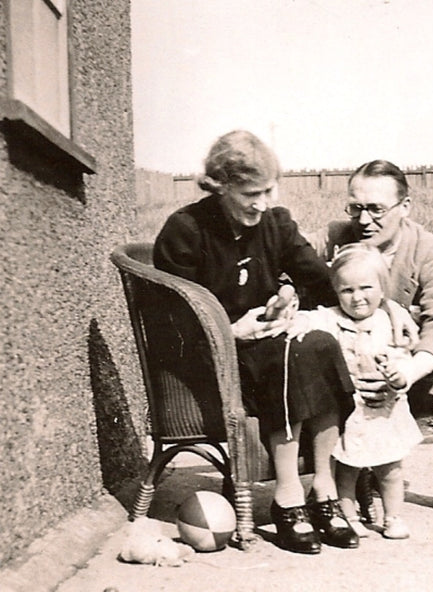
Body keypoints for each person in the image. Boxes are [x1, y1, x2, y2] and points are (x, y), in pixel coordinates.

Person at [153, 130, 359, 554]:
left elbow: (320, 282)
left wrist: (293, 297)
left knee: (318, 342)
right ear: (219, 185)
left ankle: (322, 487)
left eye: (268, 190)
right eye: (250, 193)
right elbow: (166, 324)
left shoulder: (275, 223)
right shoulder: (186, 231)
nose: (261, 203)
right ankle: (288, 496)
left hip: (271, 347)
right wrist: (227, 331)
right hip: (211, 361)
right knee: (295, 353)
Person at [310, 159, 433, 518]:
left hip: (406, 374)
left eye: (376, 209)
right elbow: (285, 259)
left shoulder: (430, 251)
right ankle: (322, 479)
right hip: (341, 374)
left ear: (404, 207)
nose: (363, 220)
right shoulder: (332, 239)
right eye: (355, 208)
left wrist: (407, 371)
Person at [287, 244, 422, 539]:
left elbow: (404, 358)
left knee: (391, 469)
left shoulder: (389, 322)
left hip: (385, 411)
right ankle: (348, 516)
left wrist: (398, 376)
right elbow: (311, 318)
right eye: (347, 290)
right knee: (346, 469)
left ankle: (393, 517)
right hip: (351, 413)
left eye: (366, 288)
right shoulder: (332, 318)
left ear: (382, 288)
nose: (357, 297)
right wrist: (298, 321)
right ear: (335, 290)